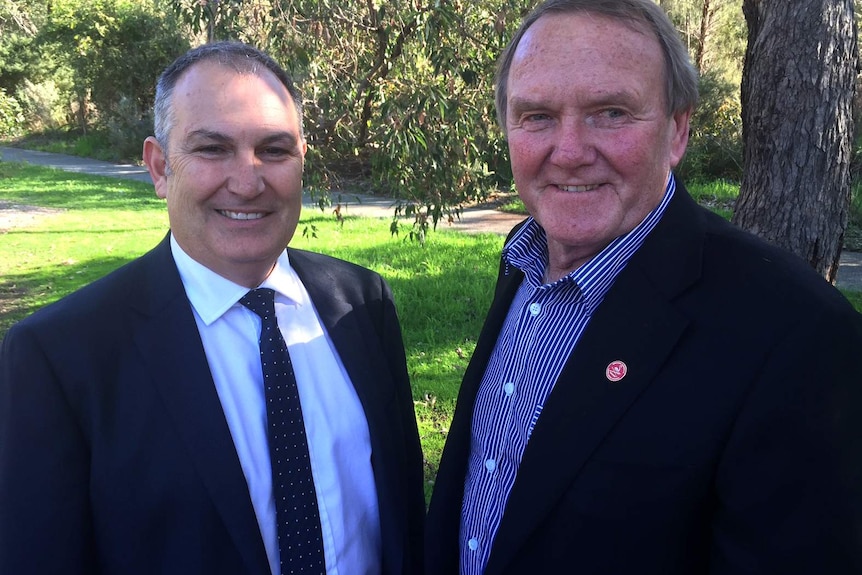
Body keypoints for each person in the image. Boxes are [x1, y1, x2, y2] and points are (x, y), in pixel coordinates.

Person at [425, 1, 862, 573]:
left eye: (610, 112)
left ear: (676, 130)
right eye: (536, 116)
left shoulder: (797, 334)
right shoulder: (525, 265)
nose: (571, 151)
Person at [0, 41, 425, 575]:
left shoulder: (362, 305)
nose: (247, 183)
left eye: (274, 150)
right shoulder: (60, 356)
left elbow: (406, 514)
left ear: (301, 161)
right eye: (212, 149)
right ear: (159, 167)